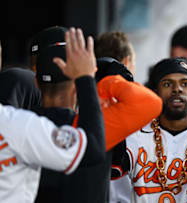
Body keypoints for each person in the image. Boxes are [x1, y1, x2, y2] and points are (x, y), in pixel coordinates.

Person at [34, 28, 162, 203]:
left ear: (36, 82)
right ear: (77, 83)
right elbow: (152, 103)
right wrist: (103, 81)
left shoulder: (21, 124)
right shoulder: (96, 126)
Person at [0, 27, 105, 203]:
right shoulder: (16, 124)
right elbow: (92, 149)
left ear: (36, 81)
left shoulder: (18, 121)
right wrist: (85, 79)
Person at [110, 57, 187, 202]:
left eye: (185, 83)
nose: (177, 89)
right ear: (155, 92)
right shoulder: (136, 135)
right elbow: (112, 163)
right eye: (167, 84)